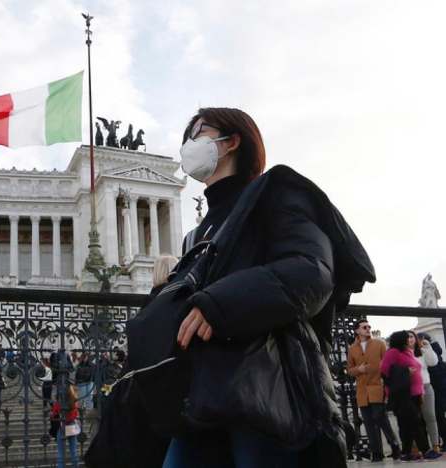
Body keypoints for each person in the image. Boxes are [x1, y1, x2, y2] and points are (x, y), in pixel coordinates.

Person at [133, 107, 375, 468]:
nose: (187, 146)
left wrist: (220, 304)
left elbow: (311, 270)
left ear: (232, 141)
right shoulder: (195, 236)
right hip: (201, 394)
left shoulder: (275, 195)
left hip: (264, 388)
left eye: (197, 133)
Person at [381, 331, 440, 461]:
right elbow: (385, 372)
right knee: (415, 422)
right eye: (407, 337)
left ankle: (406, 452)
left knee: (406, 424)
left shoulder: (407, 352)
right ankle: (425, 450)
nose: (410, 339)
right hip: (402, 394)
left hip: (414, 393)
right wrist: (405, 371)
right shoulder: (392, 352)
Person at [346, 320, 401, 461]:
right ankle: (376, 453)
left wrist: (383, 375)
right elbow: (349, 370)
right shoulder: (352, 349)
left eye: (369, 327)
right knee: (369, 422)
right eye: (364, 327)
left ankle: (394, 444)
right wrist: (359, 369)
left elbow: (388, 363)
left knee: (380, 418)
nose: (368, 329)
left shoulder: (379, 344)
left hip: (377, 387)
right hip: (362, 391)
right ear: (357, 331)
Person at [415, 333, 441, 453]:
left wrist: (428, 347)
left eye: (412, 337)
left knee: (430, 416)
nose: (411, 339)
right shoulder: (403, 354)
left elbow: (433, 362)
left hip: (426, 386)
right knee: (415, 418)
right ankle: (419, 447)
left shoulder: (422, 351)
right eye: (408, 337)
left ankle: (435, 445)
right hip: (411, 389)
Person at [52, 384, 80, 468]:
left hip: (63, 426)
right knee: (73, 451)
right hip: (72, 426)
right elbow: (76, 414)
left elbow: (54, 415)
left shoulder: (58, 403)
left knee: (61, 453)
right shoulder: (74, 402)